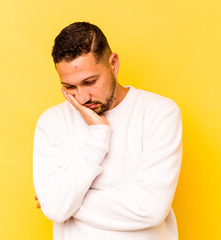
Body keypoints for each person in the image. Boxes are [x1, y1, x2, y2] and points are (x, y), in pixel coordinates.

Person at [33, 22, 182, 240]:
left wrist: (67, 200)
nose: (82, 98)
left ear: (113, 64)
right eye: (70, 87)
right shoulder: (51, 122)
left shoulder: (160, 113)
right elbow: (55, 208)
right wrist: (98, 137)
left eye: (90, 81)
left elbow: (151, 209)